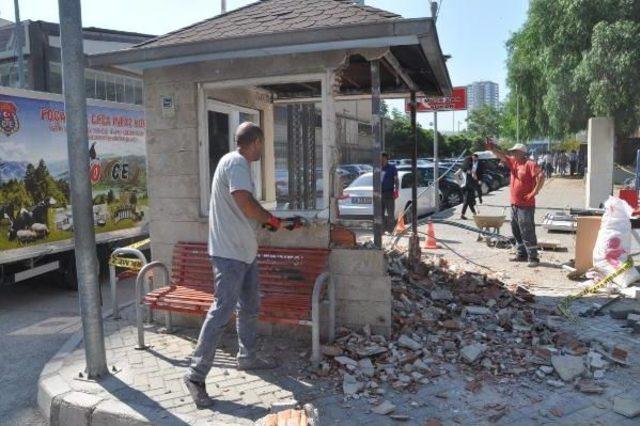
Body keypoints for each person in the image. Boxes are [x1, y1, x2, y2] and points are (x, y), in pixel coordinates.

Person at [184, 122, 287, 409]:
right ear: (254, 141)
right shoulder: (238, 162)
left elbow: (243, 206)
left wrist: (268, 221)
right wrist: (271, 219)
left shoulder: (232, 163)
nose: (262, 150)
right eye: (261, 144)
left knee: (250, 306)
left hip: (243, 252)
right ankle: (195, 375)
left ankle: (247, 356)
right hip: (229, 254)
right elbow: (244, 201)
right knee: (222, 311)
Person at [486, 140, 545, 267]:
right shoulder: (514, 162)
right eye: (512, 152)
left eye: (515, 152)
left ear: (522, 153)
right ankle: (521, 254)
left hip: (526, 205)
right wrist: (492, 148)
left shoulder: (530, 164)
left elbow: (541, 177)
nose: (513, 154)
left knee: (527, 230)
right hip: (514, 204)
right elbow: (502, 155)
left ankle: (533, 257)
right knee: (516, 230)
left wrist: (534, 192)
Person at [381, 152, 399, 233]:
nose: (380, 160)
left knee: (390, 213)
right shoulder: (378, 168)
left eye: (382, 158)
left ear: (386, 159)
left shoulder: (392, 168)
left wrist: (396, 191)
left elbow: (396, 180)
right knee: (380, 214)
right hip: (379, 194)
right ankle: (382, 230)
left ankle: (391, 230)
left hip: (389, 193)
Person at [460, 155, 478, 220]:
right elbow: (472, 175)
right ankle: (462, 214)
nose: (474, 160)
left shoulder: (464, 168)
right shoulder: (468, 168)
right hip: (468, 186)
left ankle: (474, 214)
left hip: (467, 186)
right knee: (467, 201)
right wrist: (474, 176)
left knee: (469, 201)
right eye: (474, 158)